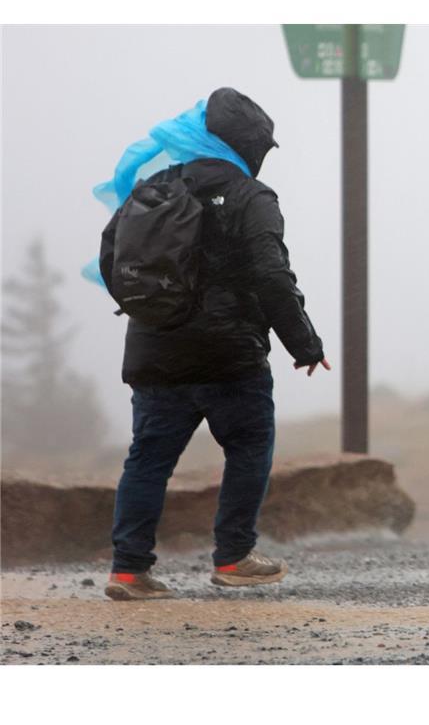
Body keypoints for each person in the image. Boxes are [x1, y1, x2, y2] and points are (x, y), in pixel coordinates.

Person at [100, 88, 330, 600]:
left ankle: (128, 570)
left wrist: (151, 314)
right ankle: (232, 556)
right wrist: (305, 344)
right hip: (230, 356)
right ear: (247, 145)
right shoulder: (252, 197)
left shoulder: (155, 187)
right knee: (249, 447)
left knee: (148, 459)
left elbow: (112, 259)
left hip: (155, 353)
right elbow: (272, 276)